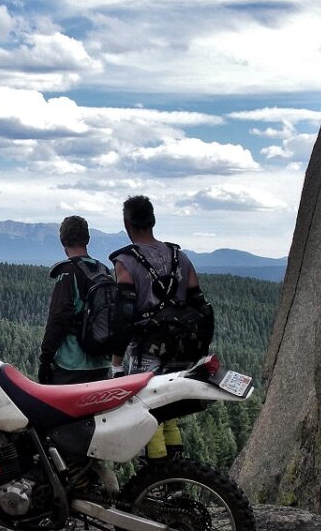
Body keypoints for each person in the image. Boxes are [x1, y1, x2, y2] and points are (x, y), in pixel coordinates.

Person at [111, 194, 212, 459]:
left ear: (127, 224)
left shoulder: (126, 262)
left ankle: (155, 480)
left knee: (147, 411)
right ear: (153, 221)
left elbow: (124, 315)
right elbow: (199, 304)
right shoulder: (180, 256)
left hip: (148, 349)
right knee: (169, 413)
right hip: (183, 350)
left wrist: (117, 362)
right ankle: (175, 476)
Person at [38, 216, 113, 385]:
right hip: (102, 363)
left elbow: (58, 318)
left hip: (71, 364)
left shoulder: (67, 272)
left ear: (62, 240)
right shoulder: (104, 270)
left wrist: (45, 359)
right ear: (87, 239)